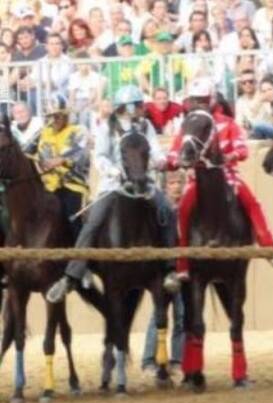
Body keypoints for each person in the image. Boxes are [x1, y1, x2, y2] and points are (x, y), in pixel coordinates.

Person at [46, 85, 178, 303]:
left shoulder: (146, 126)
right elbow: (99, 157)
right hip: (113, 185)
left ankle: (170, 268)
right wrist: (114, 171)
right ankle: (72, 275)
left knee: (167, 211)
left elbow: (155, 150)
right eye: (135, 105)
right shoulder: (107, 127)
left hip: (144, 183)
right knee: (93, 222)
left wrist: (159, 161)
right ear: (124, 107)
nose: (138, 109)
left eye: (139, 105)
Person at [167, 77, 273, 280]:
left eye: (203, 99)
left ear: (211, 99)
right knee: (183, 208)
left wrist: (231, 155)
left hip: (227, 174)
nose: (199, 103)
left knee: (251, 202)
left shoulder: (227, 123)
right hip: (198, 177)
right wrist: (173, 160)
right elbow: (175, 150)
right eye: (195, 99)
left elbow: (242, 148)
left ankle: (268, 245)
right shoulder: (189, 124)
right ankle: (182, 262)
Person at [141, 170, 185, 375]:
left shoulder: (185, 208)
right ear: (164, 186)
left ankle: (177, 360)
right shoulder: (159, 212)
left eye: (179, 182)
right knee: (158, 315)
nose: (176, 186)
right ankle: (149, 359)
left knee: (181, 314)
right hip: (163, 270)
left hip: (182, 268)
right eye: (172, 182)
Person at [37, 93, 90, 241]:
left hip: (72, 185)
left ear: (65, 115)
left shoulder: (78, 131)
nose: (54, 120)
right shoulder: (43, 132)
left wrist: (61, 160)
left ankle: (83, 255)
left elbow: (81, 154)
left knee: (73, 218)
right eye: (51, 116)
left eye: (57, 116)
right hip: (47, 186)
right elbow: (30, 151)